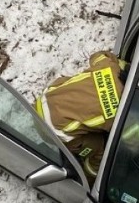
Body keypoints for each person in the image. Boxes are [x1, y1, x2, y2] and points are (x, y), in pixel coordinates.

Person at [35, 50, 126, 180]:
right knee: (99, 147)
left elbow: (97, 55)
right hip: (51, 130)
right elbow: (124, 135)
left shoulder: (109, 66)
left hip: (43, 101)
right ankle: (90, 176)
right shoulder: (117, 114)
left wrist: (118, 64)